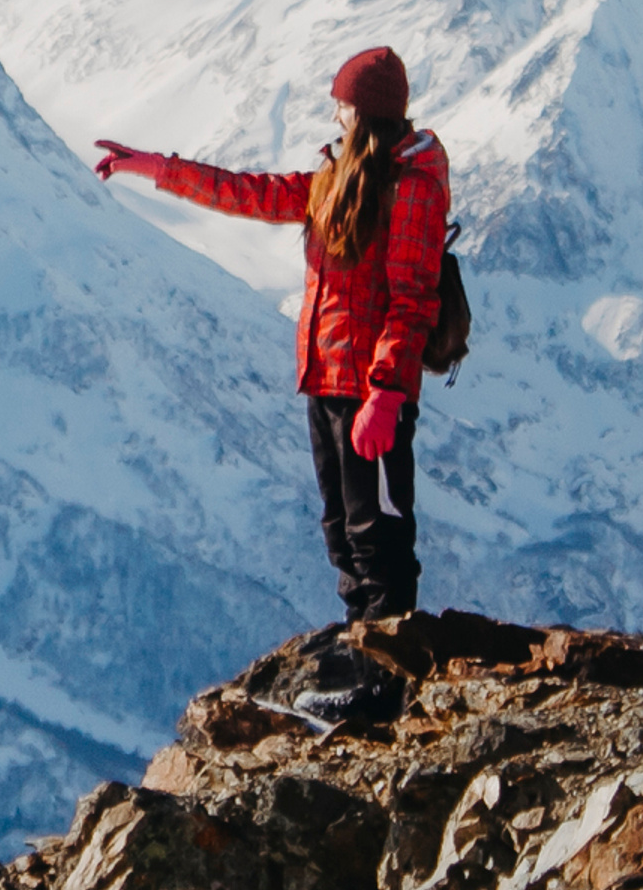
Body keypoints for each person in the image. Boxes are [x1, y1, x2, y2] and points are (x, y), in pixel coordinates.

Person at [93, 46, 448, 633]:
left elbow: (412, 299)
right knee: (342, 533)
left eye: (342, 106)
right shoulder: (337, 181)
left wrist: (386, 393)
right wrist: (159, 168)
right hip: (327, 379)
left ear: (364, 113)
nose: (335, 116)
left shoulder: (412, 188)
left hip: (370, 389)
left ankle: (393, 658)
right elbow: (249, 192)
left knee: (376, 534)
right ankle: (361, 650)